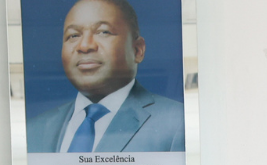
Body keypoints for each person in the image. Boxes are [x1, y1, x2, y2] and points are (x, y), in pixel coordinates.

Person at [26, 0, 186, 154]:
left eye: (103, 32)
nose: (85, 46)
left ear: (137, 50)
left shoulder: (177, 122)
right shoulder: (35, 129)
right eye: (73, 35)